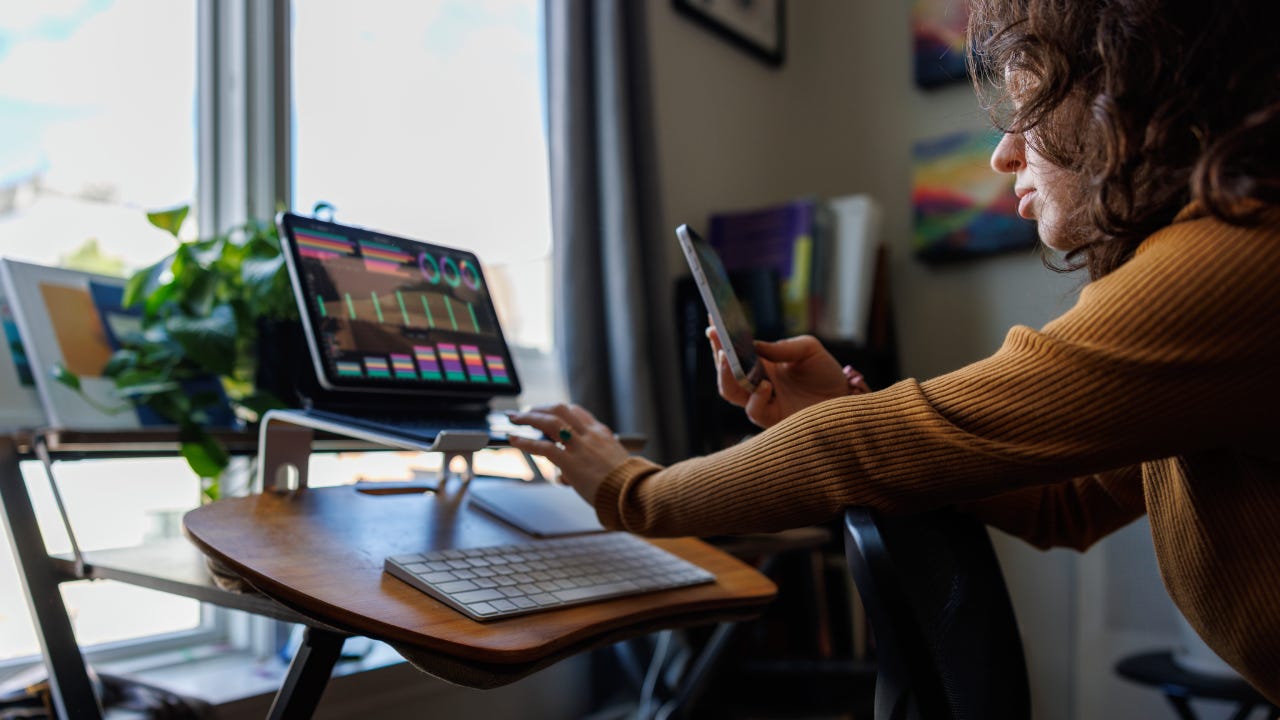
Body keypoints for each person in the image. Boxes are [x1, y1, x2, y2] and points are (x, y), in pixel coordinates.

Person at [509, 0, 1280, 702]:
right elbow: (1066, 503)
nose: (1003, 155)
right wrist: (847, 409)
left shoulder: (1238, 255)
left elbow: (862, 450)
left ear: (1131, 98)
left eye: (1028, 109)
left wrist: (630, 491)